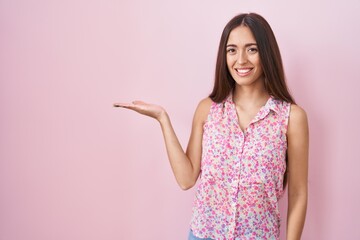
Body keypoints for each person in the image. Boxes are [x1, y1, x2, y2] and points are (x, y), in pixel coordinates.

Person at [114, 12, 308, 240]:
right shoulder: (208, 110)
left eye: (252, 49)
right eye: (232, 50)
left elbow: (298, 193)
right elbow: (186, 179)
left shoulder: (291, 117)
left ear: (267, 53)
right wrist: (162, 119)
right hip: (204, 234)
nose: (241, 60)